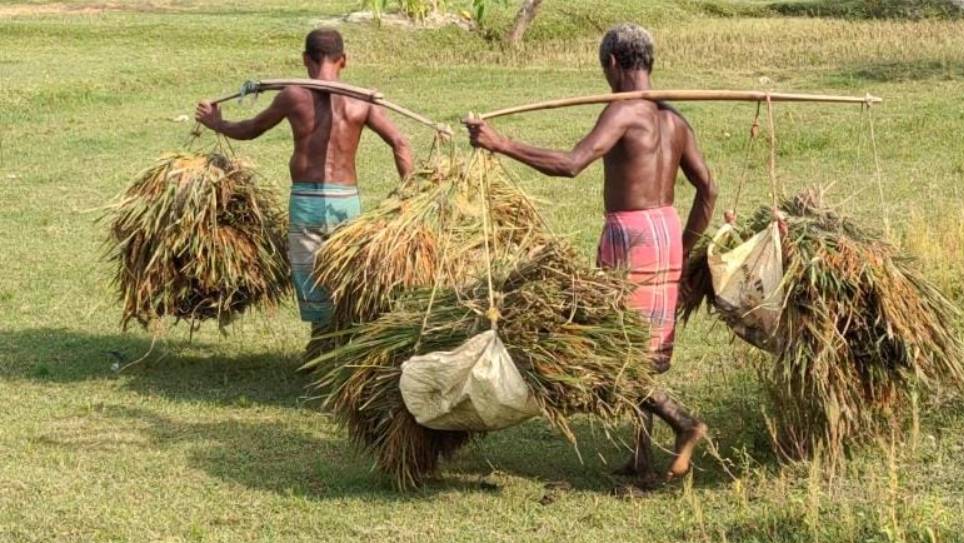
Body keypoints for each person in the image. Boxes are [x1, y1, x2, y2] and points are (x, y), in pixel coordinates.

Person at [465, 23, 716, 483]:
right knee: (637, 350)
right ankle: (641, 460)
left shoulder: (624, 113)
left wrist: (500, 143)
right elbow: (709, 190)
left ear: (614, 65)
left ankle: (685, 424)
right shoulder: (674, 119)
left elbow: (572, 163)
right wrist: (683, 249)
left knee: (616, 349)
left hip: (631, 236)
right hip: (665, 233)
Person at [195, 28, 413, 341]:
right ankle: (343, 341)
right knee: (345, 273)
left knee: (312, 277)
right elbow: (401, 144)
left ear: (305, 60)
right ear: (344, 61)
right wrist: (409, 195)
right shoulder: (361, 101)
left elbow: (252, 129)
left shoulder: (293, 96)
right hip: (346, 202)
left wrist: (217, 124)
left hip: (307, 203)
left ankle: (323, 341)